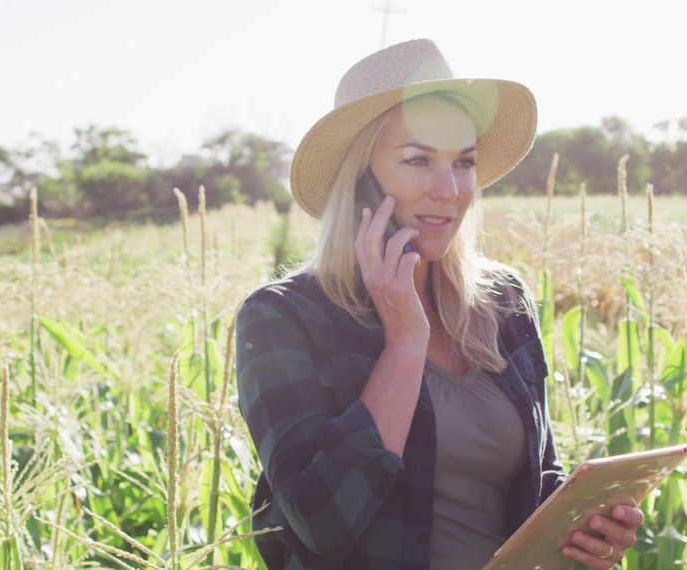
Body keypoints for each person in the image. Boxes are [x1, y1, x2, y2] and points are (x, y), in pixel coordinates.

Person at [235, 39, 643, 570]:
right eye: (418, 160)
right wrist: (405, 343)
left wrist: (583, 528)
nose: (449, 190)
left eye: (464, 163)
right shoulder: (283, 319)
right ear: (359, 180)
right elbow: (320, 523)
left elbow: (535, 476)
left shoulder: (503, 301)